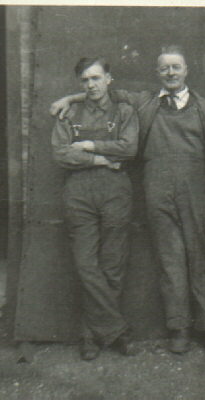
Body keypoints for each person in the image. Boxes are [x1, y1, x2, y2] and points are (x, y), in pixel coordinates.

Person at [50, 46, 205, 357]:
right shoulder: (146, 101)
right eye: (165, 69)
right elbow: (104, 92)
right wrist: (71, 99)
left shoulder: (203, 108)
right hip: (156, 187)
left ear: (186, 70)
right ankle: (179, 329)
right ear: (157, 73)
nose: (171, 73)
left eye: (176, 67)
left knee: (203, 259)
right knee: (170, 260)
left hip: (195, 188)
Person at [51, 57, 139, 361]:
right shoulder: (69, 112)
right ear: (80, 84)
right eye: (85, 80)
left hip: (116, 191)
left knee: (113, 265)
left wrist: (88, 146)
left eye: (96, 78)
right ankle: (116, 330)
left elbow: (129, 148)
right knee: (86, 264)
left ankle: (91, 335)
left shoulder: (125, 110)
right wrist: (101, 158)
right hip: (79, 193)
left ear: (108, 79)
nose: (91, 85)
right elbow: (61, 154)